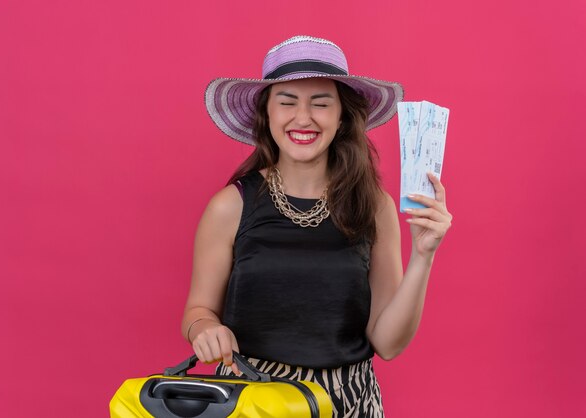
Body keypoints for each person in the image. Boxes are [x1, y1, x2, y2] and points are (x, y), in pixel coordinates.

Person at [181, 35, 452, 417]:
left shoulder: (374, 206)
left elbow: (388, 344)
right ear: (267, 113)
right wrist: (204, 328)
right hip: (254, 401)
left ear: (342, 115)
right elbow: (197, 309)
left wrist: (424, 256)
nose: (303, 118)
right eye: (287, 102)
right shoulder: (230, 206)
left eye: (321, 103)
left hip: (349, 402)